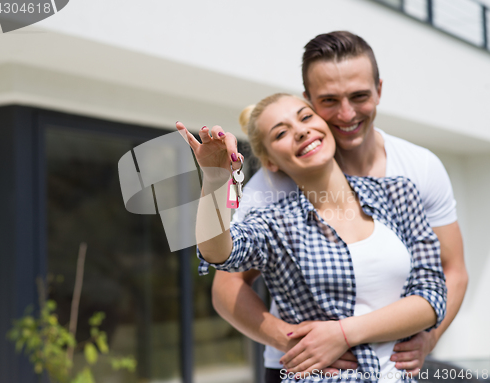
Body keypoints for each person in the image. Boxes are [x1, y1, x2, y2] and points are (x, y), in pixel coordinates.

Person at [211, 31, 468, 382]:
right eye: (329, 100)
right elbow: (226, 283)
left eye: (359, 96)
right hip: (303, 367)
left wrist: (428, 338)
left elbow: (451, 271)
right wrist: (299, 343)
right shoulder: (272, 188)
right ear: (310, 99)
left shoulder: (416, 171)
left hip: (393, 366)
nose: (347, 114)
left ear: (379, 89)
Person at [175, 92, 446, 382]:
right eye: (281, 133)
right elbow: (221, 253)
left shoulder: (398, 194)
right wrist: (215, 180)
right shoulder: (277, 223)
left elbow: (432, 294)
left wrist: (343, 334)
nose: (301, 131)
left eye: (305, 117)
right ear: (270, 162)